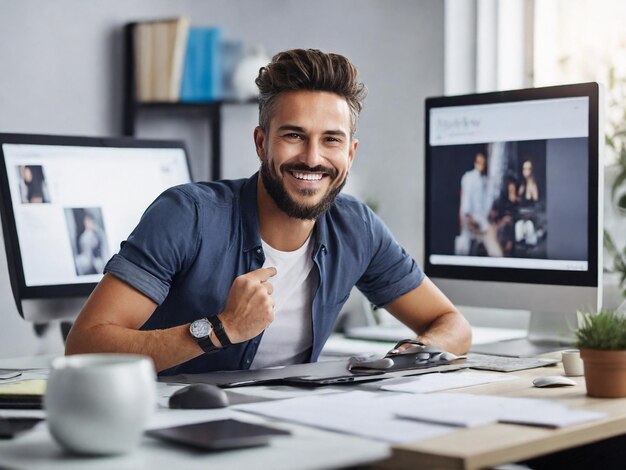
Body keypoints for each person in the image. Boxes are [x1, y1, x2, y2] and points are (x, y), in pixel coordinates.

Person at [65, 49, 471, 374]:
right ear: (262, 142)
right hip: (174, 430)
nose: (312, 158)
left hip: (293, 430)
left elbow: (451, 325)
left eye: (331, 140)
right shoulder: (187, 214)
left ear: (350, 152)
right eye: (294, 136)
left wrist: (404, 357)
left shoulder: (357, 227)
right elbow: (85, 346)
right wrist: (221, 330)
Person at [457, 152, 502, 257]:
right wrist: (470, 220)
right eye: (479, 162)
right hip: (471, 222)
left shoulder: (485, 180)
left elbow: (487, 204)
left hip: (482, 222)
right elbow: (465, 205)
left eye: (483, 162)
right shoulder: (469, 177)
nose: (481, 165)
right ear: (475, 162)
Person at [515, 159, 539, 246]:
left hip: (530, 216)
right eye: (524, 169)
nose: (526, 171)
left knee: (528, 226)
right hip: (521, 214)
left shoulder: (533, 185)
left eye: (528, 169)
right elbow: (518, 200)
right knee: (518, 226)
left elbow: (535, 203)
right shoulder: (522, 185)